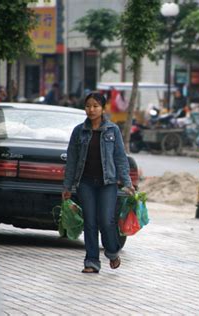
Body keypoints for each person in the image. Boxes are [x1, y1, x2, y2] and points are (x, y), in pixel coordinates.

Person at [62, 92, 135, 273]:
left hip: (107, 183)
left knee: (106, 220)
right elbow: (72, 160)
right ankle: (91, 261)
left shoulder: (113, 130)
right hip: (85, 183)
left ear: (103, 108)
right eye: (88, 106)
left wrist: (127, 182)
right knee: (90, 222)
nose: (91, 109)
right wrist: (67, 186)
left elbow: (120, 158)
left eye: (95, 106)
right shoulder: (79, 131)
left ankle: (112, 251)